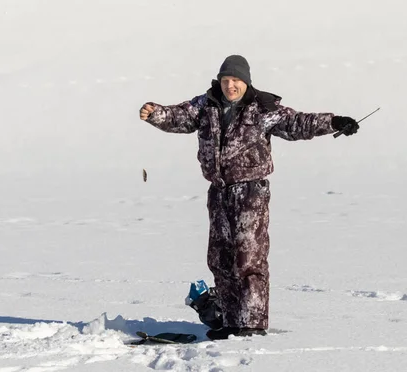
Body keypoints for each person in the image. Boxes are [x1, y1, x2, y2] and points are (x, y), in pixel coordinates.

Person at [139, 55, 359, 340]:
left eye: (236, 81)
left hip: (250, 193)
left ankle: (252, 325)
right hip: (219, 192)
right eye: (226, 80)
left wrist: (334, 122)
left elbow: (298, 123)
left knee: (248, 260)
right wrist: (155, 113)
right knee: (221, 259)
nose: (230, 86)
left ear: (246, 81)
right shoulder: (205, 105)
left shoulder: (262, 108)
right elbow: (178, 117)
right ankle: (231, 322)